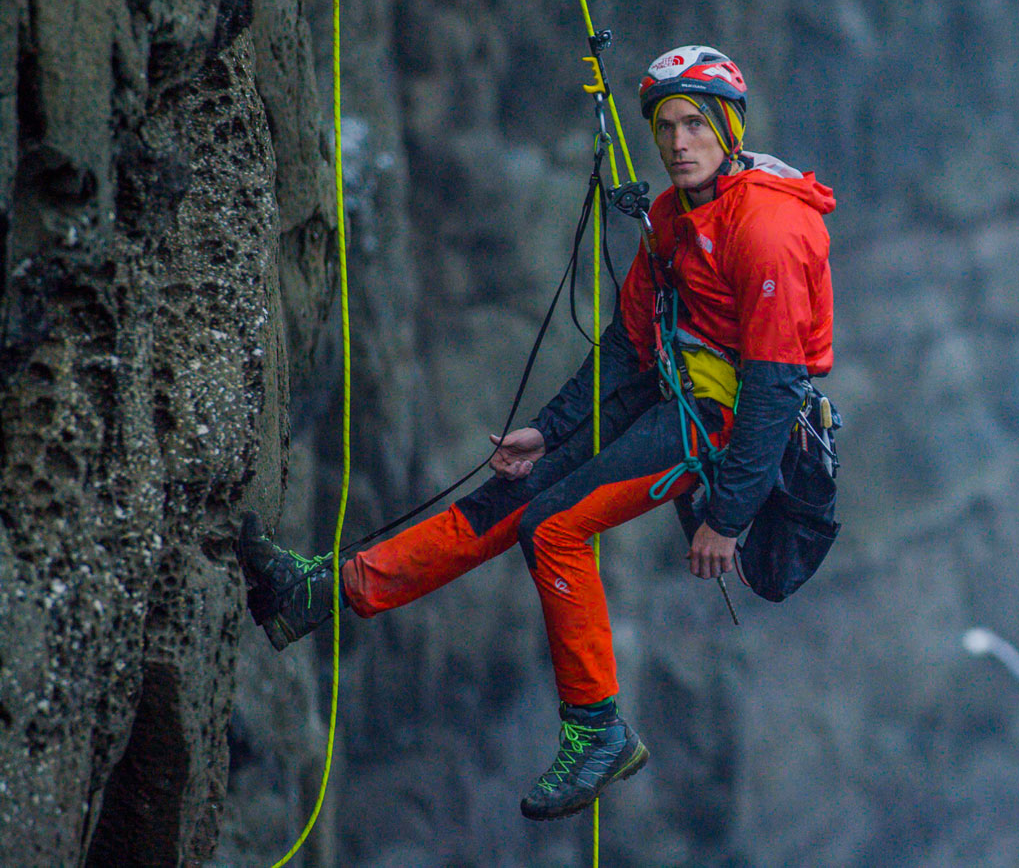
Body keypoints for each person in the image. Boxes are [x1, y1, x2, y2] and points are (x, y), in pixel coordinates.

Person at [238, 44, 836, 821]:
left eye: (695, 124)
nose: (678, 142)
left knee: (553, 529)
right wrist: (549, 434)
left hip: (718, 428)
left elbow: (773, 387)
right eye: (665, 126)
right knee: (507, 502)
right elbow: (626, 346)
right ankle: (323, 590)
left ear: (727, 127)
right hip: (671, 395)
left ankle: (599, 731)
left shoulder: (769, 229)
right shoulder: (672, 217)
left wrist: (726, 517)